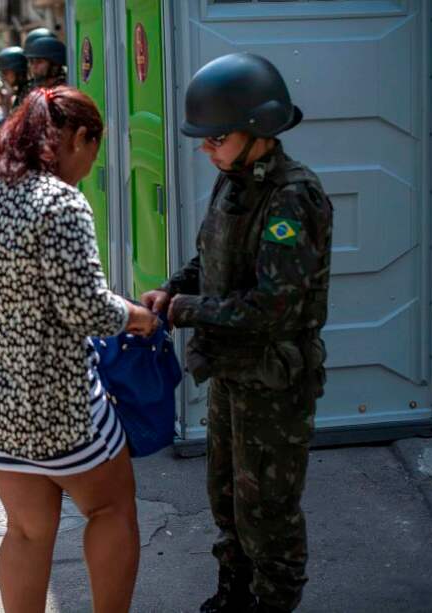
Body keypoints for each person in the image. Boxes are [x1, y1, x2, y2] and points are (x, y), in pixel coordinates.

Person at [0, 87, 159, 613]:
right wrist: (137, 315)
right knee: (110, 510)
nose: (89, 165)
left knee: (28, 531)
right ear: (79, 138)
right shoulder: (59, 202)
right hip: (58, 403)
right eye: (93, 149)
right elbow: (86, 310)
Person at [142, 53, 333, 613]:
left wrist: (185, 310)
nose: (205, 147)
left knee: (267, 513)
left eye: (216, 136)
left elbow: (273, 306)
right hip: (231, 373)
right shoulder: (233, 182)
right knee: (227, 502)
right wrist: (171, 288)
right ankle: (233, 597)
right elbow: (212, 260)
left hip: (274, 381)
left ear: (258, 131)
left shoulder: (292, 198)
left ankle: (271, 603)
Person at [0, 46, 30, 114]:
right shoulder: (20, 94)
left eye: (5, 73)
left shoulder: (31, 95)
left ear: (18, 71)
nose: (3, 77)